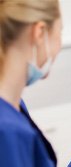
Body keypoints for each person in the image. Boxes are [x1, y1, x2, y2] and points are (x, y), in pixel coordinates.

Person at [0, 0, 62, 166]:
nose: (59, 46)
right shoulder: (7, 131)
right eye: (59, 32)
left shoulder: (15, 108)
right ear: (40, 33)